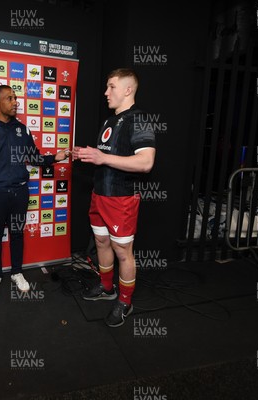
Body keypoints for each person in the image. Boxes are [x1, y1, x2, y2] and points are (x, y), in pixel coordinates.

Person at [73, 68, 156, 328]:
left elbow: (145, 162)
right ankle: (106, 287)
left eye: (111, 87)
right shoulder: (109, 121)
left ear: (128, 90)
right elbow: (108, 155)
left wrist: (102, 157)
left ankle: (125, 301)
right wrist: (88, 154)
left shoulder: (140, 119)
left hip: (121, 199)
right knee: (101, 242)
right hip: (100, 195)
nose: (106, 92)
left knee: (123, 250)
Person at [0, 85, 69, 298]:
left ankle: (17, 272)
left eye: (15, 98)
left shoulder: (22, 129)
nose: (15, 102)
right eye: (9, 98)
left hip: (19, 194)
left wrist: (54, 158)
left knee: (16, 233)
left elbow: (34, 158)